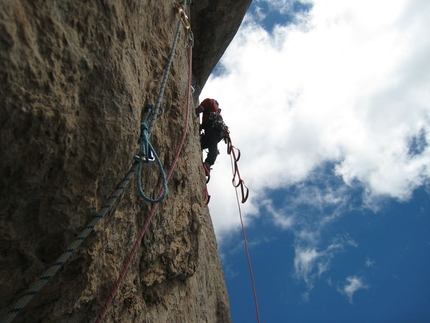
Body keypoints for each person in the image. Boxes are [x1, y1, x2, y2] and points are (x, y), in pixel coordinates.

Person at [195, 98, 228, 172]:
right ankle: (208, 164)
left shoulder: (210, 102)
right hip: (216, 134)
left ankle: (207, 164)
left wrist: (196, 111)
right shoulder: (218, 115)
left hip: (212, 131)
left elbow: (203, 106)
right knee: (213, 149)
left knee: (211, 144)